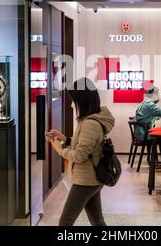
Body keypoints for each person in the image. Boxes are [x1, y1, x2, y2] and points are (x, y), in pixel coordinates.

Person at [46, 78, 115, 226]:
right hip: (91, 179)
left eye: (74, 100)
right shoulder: (89, 120)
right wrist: (62, 137)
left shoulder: (90, 124)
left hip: (86, 180)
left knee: (65, 221)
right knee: (97, 220)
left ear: (82, 101)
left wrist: (57, 147)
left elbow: (79, 155)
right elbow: (83, 145)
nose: (72, 104)